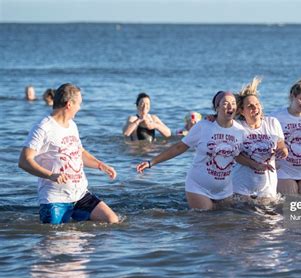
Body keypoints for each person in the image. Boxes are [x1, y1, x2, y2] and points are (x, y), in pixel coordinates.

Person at [18, 83, 119, 224]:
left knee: (112, 221)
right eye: (79, 104)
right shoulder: (43, 127)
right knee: (56, 239)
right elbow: (24, 161)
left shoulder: (72, 125)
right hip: (55, 199)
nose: (80, 108)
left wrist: (101, 165)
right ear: (69, 104)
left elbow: (79, 152)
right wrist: (51, 175)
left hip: (80, 195)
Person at [137, 91, 245, 210]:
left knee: (226, 222)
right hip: (198, 187)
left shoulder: (240, 130)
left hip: (225, 190)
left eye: (233, 103)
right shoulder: (203, 126)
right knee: (206, 220)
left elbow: (241, 155)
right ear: (217, 107)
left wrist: (259, 165)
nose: (230, 106)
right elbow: (179, 147)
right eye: (225, 103)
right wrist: (151, 162)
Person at [232, 77, 288, 201]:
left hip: (267, 187)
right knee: (241, 219)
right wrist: (254, 164)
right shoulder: (237, 127)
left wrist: (283, 151)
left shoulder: (272, 123)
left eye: (257, 104)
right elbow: (235, 155)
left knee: (269, 219)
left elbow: (281, 145)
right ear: (242, 111)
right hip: (242, 186)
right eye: (250, 106)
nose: (255, 108)